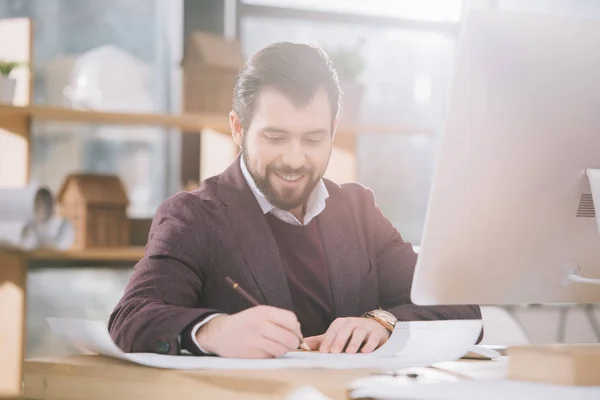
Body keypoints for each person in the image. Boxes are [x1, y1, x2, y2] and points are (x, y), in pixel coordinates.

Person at [108, 42, 481, 359]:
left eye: (314, 139)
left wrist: (384, 323)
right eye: (275, 137)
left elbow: (461, 309)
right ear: (239, 129)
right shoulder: (193, 217)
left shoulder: (358, 210)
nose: (295, 159)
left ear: (333, 131)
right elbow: (131, 318)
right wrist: (213, 332)